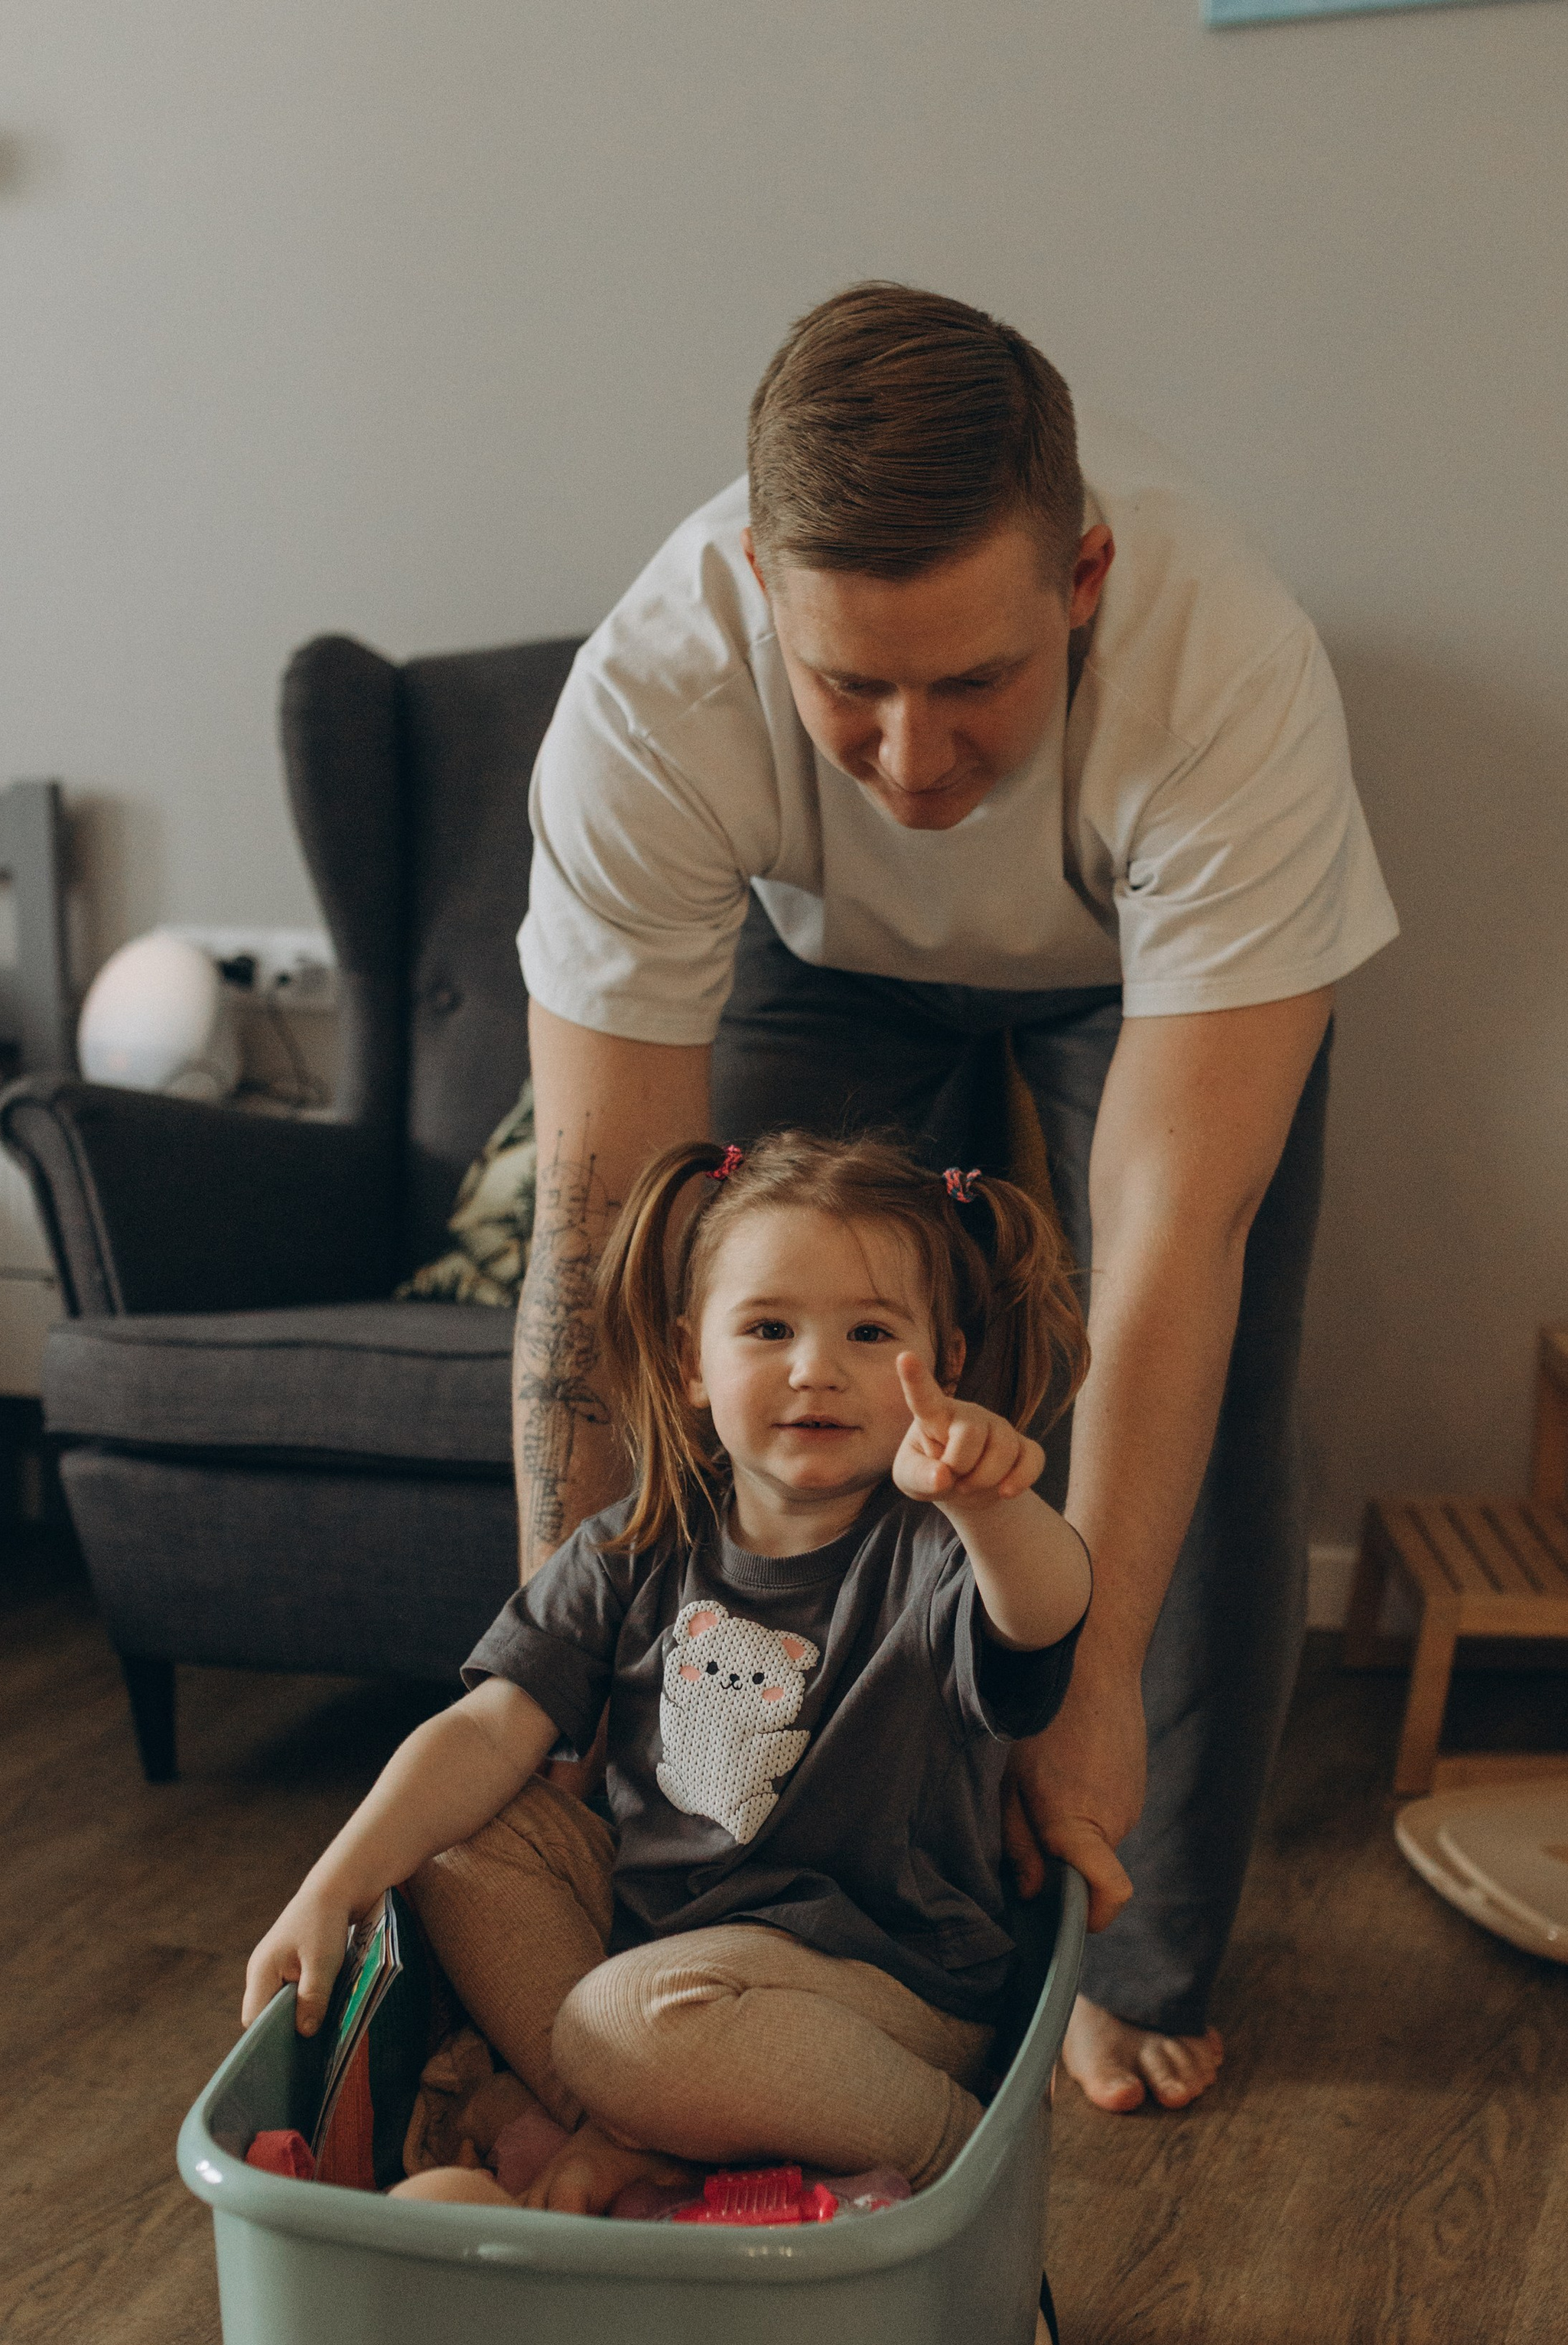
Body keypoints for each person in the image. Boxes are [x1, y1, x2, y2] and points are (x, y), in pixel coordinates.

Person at [510, 283, 1398, 2116]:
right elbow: (604, 1247)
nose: (914, 764)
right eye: (851, 688)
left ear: (1076, 583)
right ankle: (796, 1909)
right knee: (744, 1379)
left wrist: (1086, 1692)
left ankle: (1123, 1949)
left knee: (1195, 1402)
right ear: (762, 590)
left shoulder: (1223, 661)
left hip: (1134, 962)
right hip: (805, 947)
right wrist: (552, 1698)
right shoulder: (650, 701)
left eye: (972, 681)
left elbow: (1167, 1255)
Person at [244, 1129, 1091, 2214]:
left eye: (871, 1332)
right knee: (458, 1831)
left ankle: (956, 2155)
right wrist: (333, 1886)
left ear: (950, 1363)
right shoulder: (637, 1545)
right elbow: (485, 1730)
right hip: (660, 1973)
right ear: (693, 1361)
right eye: (770, 1328)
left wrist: (994, 1505)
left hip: (879, 1995)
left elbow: (1045, 1609)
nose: (815, 1368)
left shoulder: (935, 1551)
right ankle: (644, 2141)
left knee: (630, 2023)